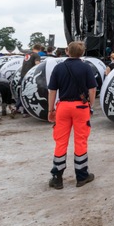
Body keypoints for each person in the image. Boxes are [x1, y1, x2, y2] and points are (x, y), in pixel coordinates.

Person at [47, 41, 97, 190]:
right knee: (81, 140)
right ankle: (82, 176)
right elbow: (92, 89)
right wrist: (90, 106)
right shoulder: (86, 67)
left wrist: (51, 110)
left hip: (63, 107)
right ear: (82, 53)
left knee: (60, 141)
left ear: (67, 51)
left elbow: (52, 91)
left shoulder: (59, 68)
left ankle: (57, 178)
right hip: (80, 107)